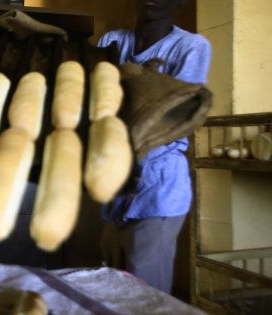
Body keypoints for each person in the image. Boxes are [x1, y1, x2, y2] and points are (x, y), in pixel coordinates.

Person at [96, 0, 211, 293]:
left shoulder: (190, 47)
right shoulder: (113, 41)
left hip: (156, 190)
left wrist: (125, 88)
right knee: (112, 289)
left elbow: (171, 116)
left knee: (145, 295)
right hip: (114, 190)